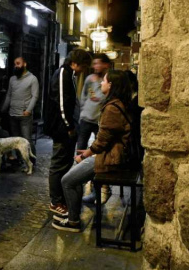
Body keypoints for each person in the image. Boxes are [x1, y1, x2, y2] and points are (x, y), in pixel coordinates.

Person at [52, 70, 132, 232]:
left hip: (110, 158)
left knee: (67, 181)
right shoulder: (118, 103)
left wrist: (85, 155)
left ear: (111, 85)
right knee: (75, 175)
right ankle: (73, 215)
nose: (101, 83)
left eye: (104, 81)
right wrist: (88, 152)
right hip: (109, 154)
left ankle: (73, 221)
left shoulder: (113, 108)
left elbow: (102, 141)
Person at [45, 49, 92, 217]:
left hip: (66, 128)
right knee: (58, 164)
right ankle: (55, 201)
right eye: (83, 67)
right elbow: (62, 104)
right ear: (75, 63)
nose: (83, 71)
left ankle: (61, 197)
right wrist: (69, 126)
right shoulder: (63, 74)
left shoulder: (69, 74)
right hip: (61, 129)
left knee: (64, 163)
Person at [77, 53, 112, 204]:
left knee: (100, 154)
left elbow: (107, 98)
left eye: (99, 63)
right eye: (94, 64)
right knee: (80, 152)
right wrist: (83, 111)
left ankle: (101, 188)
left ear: (106, 65)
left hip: (100, 121)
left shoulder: (108, 81)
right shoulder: (89, 79)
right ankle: (79, 185)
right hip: (86, 119)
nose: (95, 66)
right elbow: (83, 97)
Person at [1, 56, 39, 160]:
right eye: (15, 64)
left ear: (25, 64)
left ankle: (31, 160)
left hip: (24, 115)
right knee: (16, 140)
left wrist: (28, 110)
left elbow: (35, 96)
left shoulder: (32, 79)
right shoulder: (12, 79)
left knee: (26, 139)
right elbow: (9, 95)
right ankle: (20, 160)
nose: (16, 66)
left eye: (18, 63)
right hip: (12, 114)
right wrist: (3, 110)